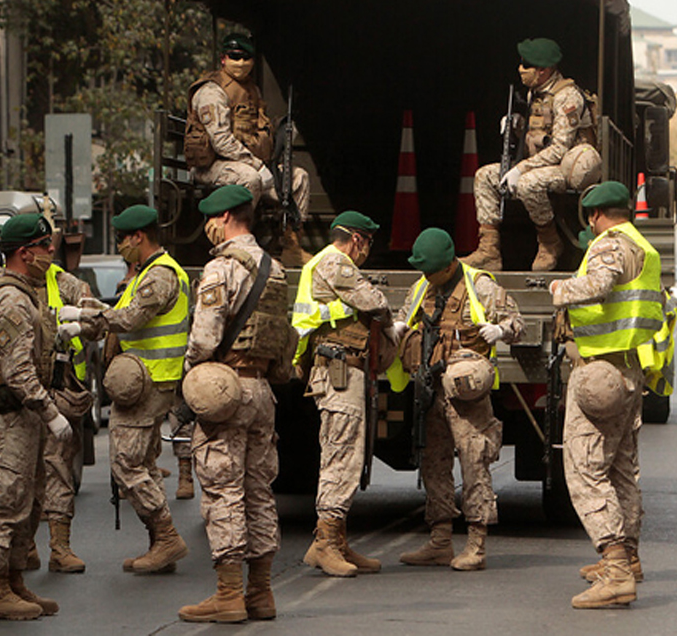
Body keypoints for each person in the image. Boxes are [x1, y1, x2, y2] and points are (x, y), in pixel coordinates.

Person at [178, 184, 291, 623]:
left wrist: (192, 377)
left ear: (224, 218)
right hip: (262, 389)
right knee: (259, 490)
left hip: (225, 389)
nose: (208, 227)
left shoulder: (221, 268)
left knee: (223, 490)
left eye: (211, 218)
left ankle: (228, 595)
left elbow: (205, 337)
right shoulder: (274, 268)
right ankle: (261, 593)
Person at [549, 181, 662, 609]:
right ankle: (629, 559)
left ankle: (614, 569)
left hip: (599, 370)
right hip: (629, 368)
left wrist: (560, 291)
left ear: (595, 216)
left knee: (583, 469)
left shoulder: (608, 245)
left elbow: (598, 284)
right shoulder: (644, 247)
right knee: (619, 467)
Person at [63, 204, 190, 574]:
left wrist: (86, 317)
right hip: (146, 379)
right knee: (145, 464)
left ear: (138, 237)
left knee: (126, 464)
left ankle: (166, 537)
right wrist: (91, 314)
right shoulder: (147, 273)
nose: (120, 246)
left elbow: (131, 318)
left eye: (122, 239)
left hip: (147, 382)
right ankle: (158, 545)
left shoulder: (161, 275)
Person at [392, 228, 524, 572]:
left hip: (465, 392)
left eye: (433, 272)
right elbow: (406, 318)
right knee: (433, 462)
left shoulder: (480, 286)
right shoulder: (422, 287)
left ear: (449, 265)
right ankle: (439, 540)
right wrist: (397, 329)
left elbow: (517, 323)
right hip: (430, 388)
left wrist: (502, 330)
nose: (428, 278)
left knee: (473, 460)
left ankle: (476, 543)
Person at [0, 213, 72, 620]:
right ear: (25, 253)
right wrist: (51, 413)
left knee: (26, 504)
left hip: (22, 416)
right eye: (45, 246)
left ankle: (13, 583)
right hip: (8, 416)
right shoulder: (10, 299)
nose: (52, 251)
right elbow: (18, 372)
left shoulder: (26, 292)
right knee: (4, 502)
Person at [290, 210, 395, 577]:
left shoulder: (320, 262)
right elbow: (374, 301)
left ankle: (337, 541)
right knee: (342, 456)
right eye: (367, 242)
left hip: (340, 369)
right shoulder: (337, 263)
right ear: (355, 239)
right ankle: (325, 543)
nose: (367, 250)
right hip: (338, 372)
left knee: (343, 452)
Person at [464, 37, 601, 272]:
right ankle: (489, 250)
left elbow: (559, 148)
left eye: (526, 65)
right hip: (538, 163)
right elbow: (537, 134)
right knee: (484, 176)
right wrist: (517, 125)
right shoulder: (534, 93)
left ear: (543, 70)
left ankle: (549, 243)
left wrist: (521, 168)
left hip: (566, 167)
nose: (521, 70)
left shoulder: (567, 97)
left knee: (528, 183)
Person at [185, 32, 312, 266]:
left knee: (298, 178)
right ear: (223, 59)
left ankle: (291, 243)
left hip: (251, 163)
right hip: (212, 166)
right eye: (234, 57)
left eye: (246, 58)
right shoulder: (212, 91)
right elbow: (221, 140)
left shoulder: (252, 91)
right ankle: (238, 243)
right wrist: (256, 165)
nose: (241, 63)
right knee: (249, 178)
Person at [36, 254, 104, 573]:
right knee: (14, 476)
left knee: (58, 468)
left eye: (43, 246)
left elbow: (98, 320)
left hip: (58, 390)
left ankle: (59, 546)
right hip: (11, 397)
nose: (38, 254)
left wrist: (78, 323)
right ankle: (19, 549)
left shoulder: (65, 284)